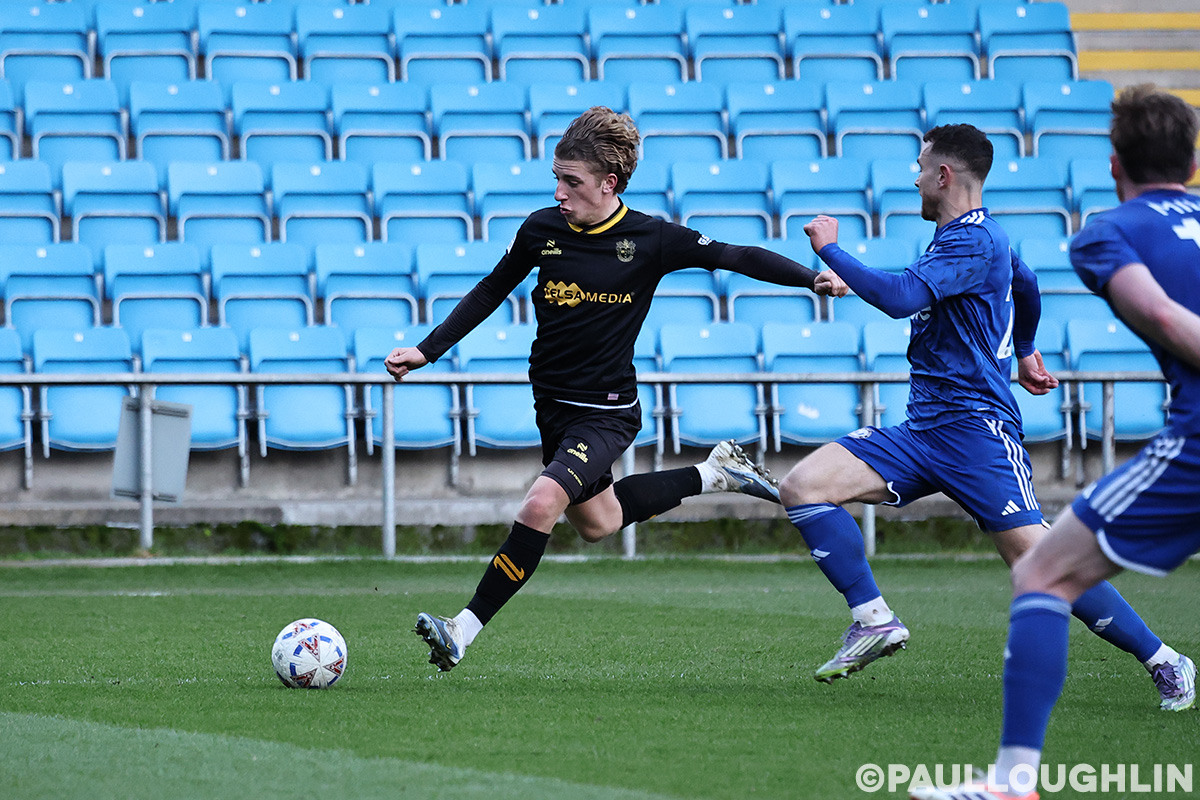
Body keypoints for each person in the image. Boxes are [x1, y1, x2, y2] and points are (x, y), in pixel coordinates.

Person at [386, 106, 848, 672]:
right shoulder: (540, 230)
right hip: (552, 407)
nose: (559, 193)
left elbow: (734, 255)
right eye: (556, 179)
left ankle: (463, 628)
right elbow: (491, 289)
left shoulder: (651, 238)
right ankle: (715, 474)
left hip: (605, 412)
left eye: (571, 182)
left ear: (609, 183)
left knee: (541, 502)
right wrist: (427, 350)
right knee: (598, 522)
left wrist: (811, 276)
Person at [775, 123, 1191, 710]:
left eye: (921, 168)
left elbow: (901, 298)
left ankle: (1165, 660)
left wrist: (830, 249)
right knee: (803, 486)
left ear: (943, 175)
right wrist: (1026, 350)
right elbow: (1026, 282)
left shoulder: (973, 239)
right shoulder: (966, 238)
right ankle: (873, 620)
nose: (916, 180)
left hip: (977, 432)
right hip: (924, 428)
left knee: (1040, 559)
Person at [909, 86, 1200, 800]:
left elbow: (1165, 317)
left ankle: (1013, 781)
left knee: (1041, 572)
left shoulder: (1106, 234)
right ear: (1193, 164)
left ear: (1113, 164)